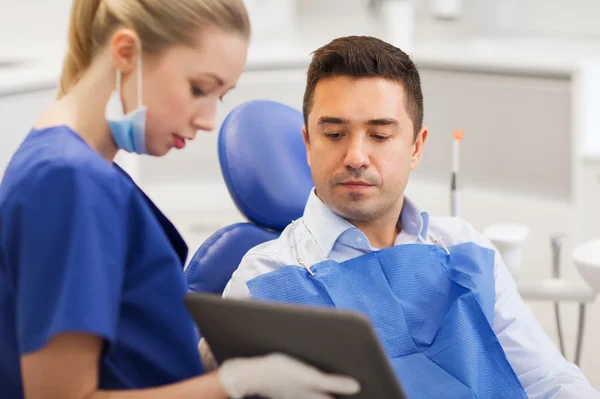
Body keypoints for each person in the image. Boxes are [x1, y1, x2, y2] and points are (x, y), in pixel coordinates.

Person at [0, 1, 361, 398]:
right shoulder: (69, 182)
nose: (208, 120)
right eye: (199, 89)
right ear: (126, 53)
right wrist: (230, 386)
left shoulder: (72, 168)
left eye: (219, 97)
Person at [222, 36, 600, 398]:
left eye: (380, 136)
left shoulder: (465, 249)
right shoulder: (264, 280)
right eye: (335, 134)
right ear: (308, 144)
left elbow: (549, 379)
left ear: (416, 147)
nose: (355, 156)